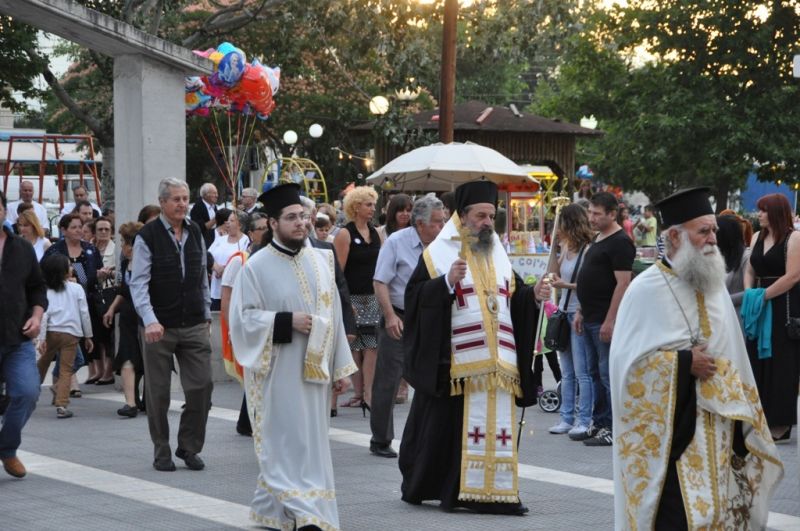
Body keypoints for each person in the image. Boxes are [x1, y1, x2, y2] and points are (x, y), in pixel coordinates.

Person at [611, 187, 783, 529]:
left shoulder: (715, 286)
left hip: (717, 434)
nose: (712, 238)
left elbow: (733, 356)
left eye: (714, 230)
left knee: (718, 514)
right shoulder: (645, 291)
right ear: (675, 237)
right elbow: (626, 372)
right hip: (672, 443)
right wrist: (683, 364)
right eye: (703, 231)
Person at [400, 181, 550, 515]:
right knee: (451, 430)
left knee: (496, 429)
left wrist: (533, 295)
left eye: (491, 216)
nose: (486, 222)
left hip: (499, 362)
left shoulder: (497, 252)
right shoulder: (438, 254)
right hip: (455, 363)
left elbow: (514, 294)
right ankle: (455, 490)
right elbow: (414, 298)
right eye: (480, 215)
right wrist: (445, 284)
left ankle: (498, 491)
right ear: (462, 216)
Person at [229, 182, 357, 530]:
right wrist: (284, 322)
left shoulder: (322, 259)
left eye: (303, 216)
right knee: (284, 443)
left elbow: (334, 317)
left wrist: (340, 367)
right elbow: (242, 321)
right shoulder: (255, 268)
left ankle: (275, 511)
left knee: (310, 444)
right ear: (273, 223)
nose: (300, 223)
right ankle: (306, 514)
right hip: (279, 371)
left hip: (314, 375)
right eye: (291, 218)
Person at [130, 177, 214, 472]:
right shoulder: (148, 236)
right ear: (163, 202)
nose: (182, 204)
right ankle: (161, 450)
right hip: (159, 326)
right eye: (176, 199)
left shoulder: (194, 231)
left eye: (185, 198)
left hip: (192, 322)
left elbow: (202, 276)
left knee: (202, 385)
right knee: (158, 393)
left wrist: (205, 314)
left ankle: (189, 447)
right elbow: (138, 283)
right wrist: (150, 320)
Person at [370, 194, 446, 458]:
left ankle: (430, 434)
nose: (441, 227)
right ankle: (380, 438)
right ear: (420, 224)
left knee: (430, 377)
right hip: (400, 316)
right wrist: (390, 316)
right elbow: (380, 281)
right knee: (388, 379)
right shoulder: (396, 242)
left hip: (432, 318)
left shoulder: (444, 245)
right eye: (436, 222)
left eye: (443, 221)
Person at [574, 192, 635, 446]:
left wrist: (610, 320)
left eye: (597, 213)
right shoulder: (598, 238)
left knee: (607, 374)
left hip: (603, 319)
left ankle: (614, 427)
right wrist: (580, 310)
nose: (591, 218)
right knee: (593, 373)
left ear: (613, 213)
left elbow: (623, 284)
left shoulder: (621, 242)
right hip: (589, 317)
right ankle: (599, 422)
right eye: (590, 212)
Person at [743, 193, 800, 442]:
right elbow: (750, 268)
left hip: (783, 305)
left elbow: (794, 276)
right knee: (757, 358)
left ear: (776, 212)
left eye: (764, 210)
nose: (759, 215)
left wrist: (763, 295)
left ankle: (781, 422)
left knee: (782, 363)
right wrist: (749, 294)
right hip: (759, 305)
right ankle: (760, 415)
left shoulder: (794, 238)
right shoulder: (757, 237)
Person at [0, 190, 47, 478]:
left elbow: (37, 287)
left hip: (18, 338)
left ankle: (6, 449)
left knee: (28, 392)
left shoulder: (22, 248)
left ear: (5, 211)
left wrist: (37, 315)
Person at [547, 203, 595, 440]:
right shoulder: (565, 246)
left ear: (569, 224)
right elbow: (552, 273)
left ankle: (584, 418)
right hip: (564, 311)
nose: (557, 230)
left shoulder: (587, 250)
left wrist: (564, 285)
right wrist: (555, 249)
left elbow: (590, 284)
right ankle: (566, 417)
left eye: (560, 225)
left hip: (579, 312)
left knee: (582, 371)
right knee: (567, 371)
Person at [334, 186, 381, 413]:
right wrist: (344, 302)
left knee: (371, 346)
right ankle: (358, 392)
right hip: (352, 296)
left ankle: (368, 394)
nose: (372, 208)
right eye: (368, 204)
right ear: (356, 207)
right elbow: (338, 271)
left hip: (371, 296)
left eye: (373, 204)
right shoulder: (345, 233)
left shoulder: (376, 233)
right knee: (354, 345)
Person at [36, 254, 94, 419]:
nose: (72, 268)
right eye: (68, 266)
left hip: (51, 332)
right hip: (71, 333)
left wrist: (41, 338)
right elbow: (84, 313)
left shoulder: (47, 290)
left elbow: (44, 314)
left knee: (43, 363)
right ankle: (62, 405)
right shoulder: (76, 289)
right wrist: (88, 336)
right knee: (66, 369)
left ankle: (30, 394)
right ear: (62, 271)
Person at [103, 222, 145, 418]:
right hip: (128, 314)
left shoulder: (148, 262)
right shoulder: (123, 262)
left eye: (123, 242)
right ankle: (130, 403)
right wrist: (112, 309)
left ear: (133, 244)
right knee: (128, 356)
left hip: (146, 315)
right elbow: (122, 291)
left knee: (148, 360)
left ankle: (145, 399)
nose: (121, 246)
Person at [88, 216, 117, 385]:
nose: (104, 232)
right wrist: (96, 274)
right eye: (100, 229)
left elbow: (120, 273)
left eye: (107, 229)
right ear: (95, 232)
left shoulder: (116, 249)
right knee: (96, 335)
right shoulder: (90, 250)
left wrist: (109, 273)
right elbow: (84, 274)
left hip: (110, 295)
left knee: (108, 335)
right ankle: (99, 371)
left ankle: (108, 371)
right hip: (94, 296)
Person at [208, 209, 250, 311]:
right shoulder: (220, 239)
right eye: (227, 220)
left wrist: (225, 270)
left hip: (234, 292)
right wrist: (215, 267)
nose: (227, 223)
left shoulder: (246, 241)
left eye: (231, 221)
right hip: (216, 290)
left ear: (240, 225)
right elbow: (208, 254)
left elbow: (244, 261)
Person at [716, 215, 749, 312]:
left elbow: (750, 293)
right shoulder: (720, 256)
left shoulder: (746, 257)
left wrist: (722, 301)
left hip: (739, 316)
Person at [189, 182, 219, 249]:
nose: (217, 195)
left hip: (216, 240)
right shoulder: (197, 208)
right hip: (204, 243)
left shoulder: (214, 206)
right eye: (214, 193)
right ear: (205, 195)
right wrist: (216, 218)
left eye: (217, 193)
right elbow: (199, 228)